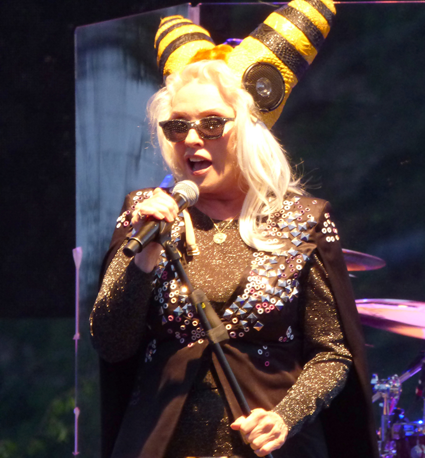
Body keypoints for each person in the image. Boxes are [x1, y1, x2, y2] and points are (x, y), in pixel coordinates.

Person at [90, 2, 379, 458]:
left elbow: (333, 352)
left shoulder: (301, 219)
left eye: (211, 124)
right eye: (177, 126)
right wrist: (144, 258)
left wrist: (284, 416)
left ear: (250, 129)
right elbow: (110, 343)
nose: (191, 138)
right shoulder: (146, 212)